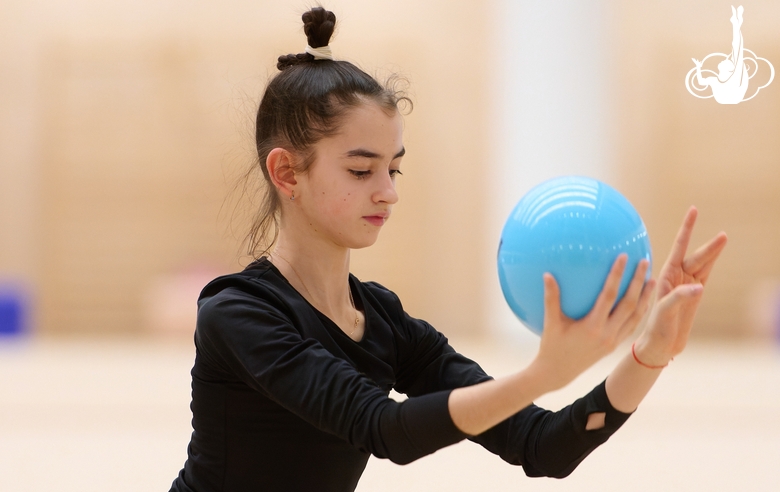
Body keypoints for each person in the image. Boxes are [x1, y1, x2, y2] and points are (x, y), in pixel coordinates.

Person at [169, 7, 727, 492]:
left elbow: (544, 448)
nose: (388, 192)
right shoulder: (238, 313)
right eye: (362, 169)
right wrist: (541, 373)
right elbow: (387, 429)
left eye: (394, 168)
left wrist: (649, 353)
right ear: (287, 172)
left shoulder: (382, 320)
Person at [692, 5, 749, 104]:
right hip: (731, 97)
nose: (725, 59)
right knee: (737, 51)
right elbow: (701, 82)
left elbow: (737, 49)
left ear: (728, 69)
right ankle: (736, 24)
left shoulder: (722, 79)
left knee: (737, 50)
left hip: (731, 97)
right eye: (728, 61)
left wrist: (698, 67)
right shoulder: (719, 79)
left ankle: (736, 24)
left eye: (727, 61)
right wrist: (698, 67)